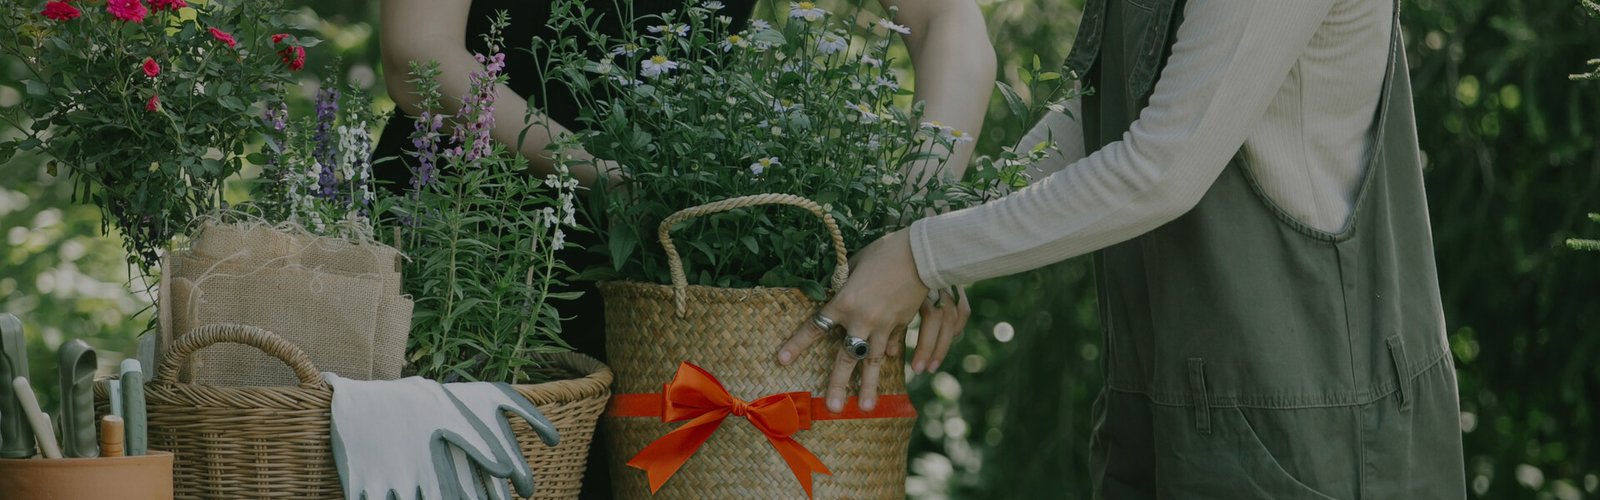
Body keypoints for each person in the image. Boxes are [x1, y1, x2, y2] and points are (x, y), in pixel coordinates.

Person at [778, 0, 1470, 497]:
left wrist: (924, 256)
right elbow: (1096, 114)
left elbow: (1164, 166)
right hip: (1165, 397)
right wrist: (947, 241)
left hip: (1308, 421)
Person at [376, 0, 993, 497]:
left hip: (676, 281)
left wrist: (919, 229)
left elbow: (947, 19)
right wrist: (617, 182)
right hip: (467, 255)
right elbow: (418, 53)